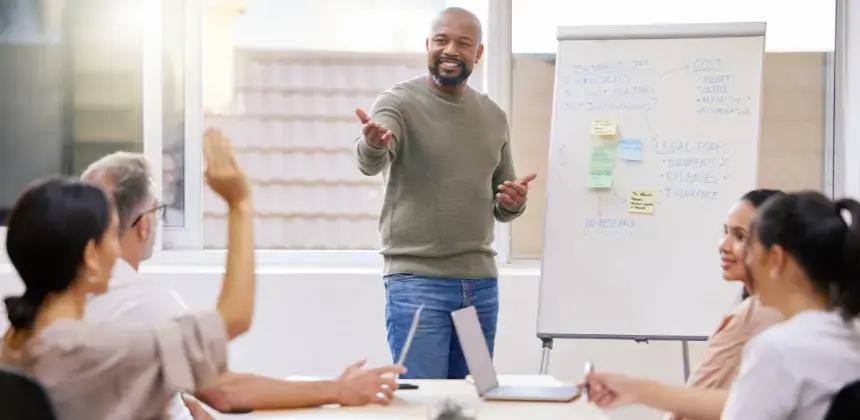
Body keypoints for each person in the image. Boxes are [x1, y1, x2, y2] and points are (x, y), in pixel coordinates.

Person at [80, 136, 403, 417]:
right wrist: (339, 390)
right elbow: (225, 390)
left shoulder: (70, 297)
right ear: (145, 224)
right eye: (157, 210)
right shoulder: (141, 298)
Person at [0, 130, 255, 419]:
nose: (116, 250)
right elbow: (234, 318)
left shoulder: (16, 342)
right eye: (111, 234)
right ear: (90, 256)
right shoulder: (95, 351)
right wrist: (240, 205)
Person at [353, 6, 537, 380]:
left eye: (462, 43)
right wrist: (372, 144)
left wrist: (513, 203)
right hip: (417, 284)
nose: (450, 49)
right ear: (428, 46)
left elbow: (503, 201)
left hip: (479, 287)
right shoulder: (398, 103)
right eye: (441, 40)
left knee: (473, 397)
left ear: (478, 54)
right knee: (426, 401)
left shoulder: (493, 116)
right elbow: (371, 161)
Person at [582, 189, 785, 420]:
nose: (723, 246)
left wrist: (639, 391)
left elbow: (708, 399)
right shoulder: (760, 309)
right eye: (725, 232)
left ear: (774, 251)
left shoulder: (758, 316)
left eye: (739, 237)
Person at [721, 191, 860, 419]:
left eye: (751, 248)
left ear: (776, 259)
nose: (747, 260)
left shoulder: (776, 350)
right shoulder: (851, 336)